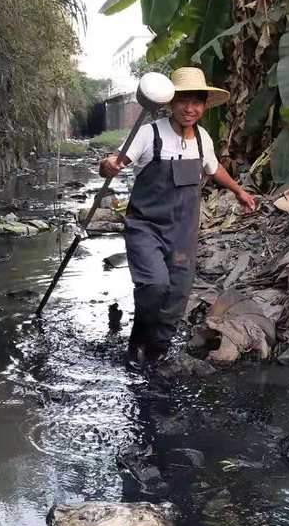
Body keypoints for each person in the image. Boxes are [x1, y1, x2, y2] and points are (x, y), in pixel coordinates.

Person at [100, 66, 257, 366]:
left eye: (196, 102)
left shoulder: (202, 138)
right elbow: (114, 163)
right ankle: (137, 343)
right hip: (145, 228)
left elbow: (214, 168)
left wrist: (239, 191)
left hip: (182, 234)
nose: (189, 108)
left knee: (177, 295)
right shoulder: (149, 133)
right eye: (183, 100)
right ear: (171, 102)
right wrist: (107, 165)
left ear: (204, 106)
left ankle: (156, 355)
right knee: (154, 285)